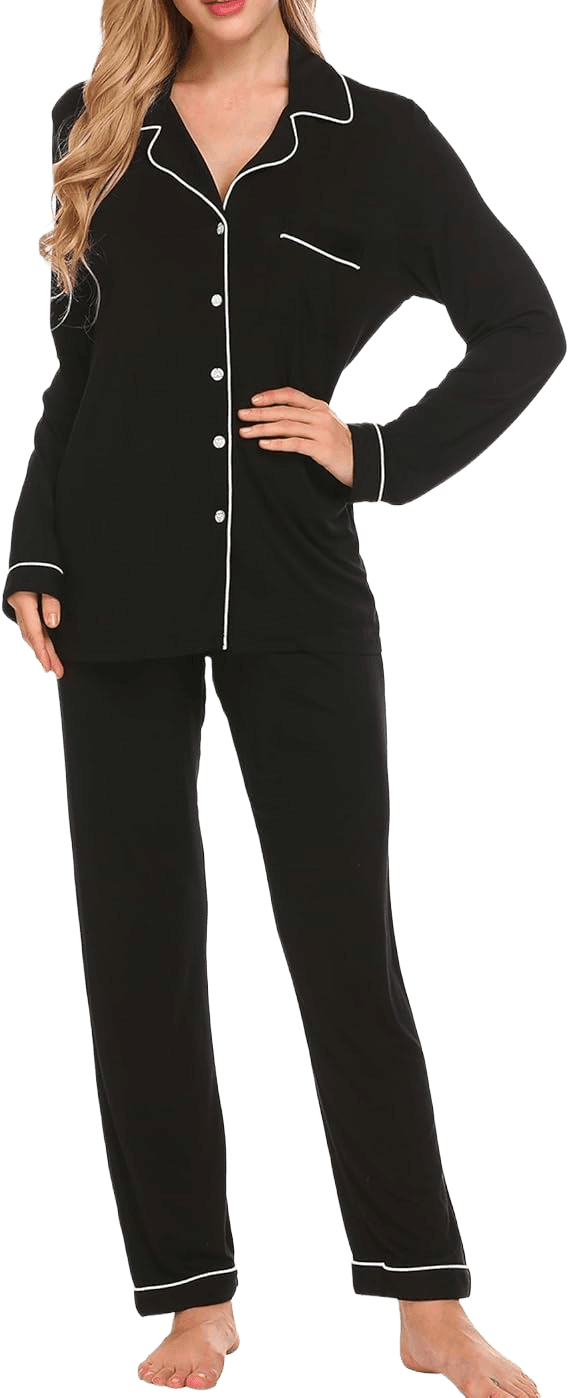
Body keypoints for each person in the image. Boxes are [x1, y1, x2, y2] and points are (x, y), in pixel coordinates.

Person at [2, 0, 565, 1392]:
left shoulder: (384, 141)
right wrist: (32, 546)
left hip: (299, 587)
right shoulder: (96, 124)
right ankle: (192, 1298)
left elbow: (523, 326)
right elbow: (80, 367)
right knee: (136, 942)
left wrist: (376, 453)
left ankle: (426, 1299)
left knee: (343, 942)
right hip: (113, 578)